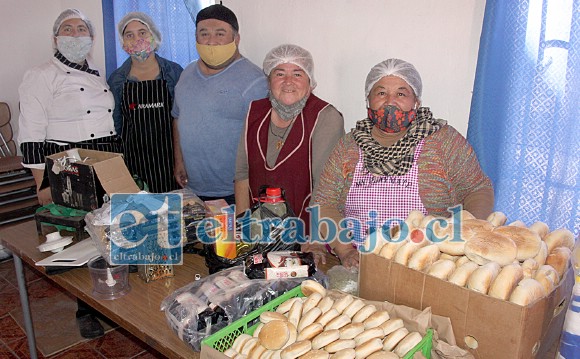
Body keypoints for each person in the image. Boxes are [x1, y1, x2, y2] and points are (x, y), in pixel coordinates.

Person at [313, 58, 494, 268]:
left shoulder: (443, 140)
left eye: (401, 93)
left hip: (426, 263)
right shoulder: (348, 146)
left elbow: (478, 189)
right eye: (381, 93)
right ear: (368, 100)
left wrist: (466, 235)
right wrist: (345, 251)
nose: (390, 101)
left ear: (416, 101)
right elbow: (325, 202)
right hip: (360, 261)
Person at [17, 8, 119, 339]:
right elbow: (30, 133)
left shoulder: (96, 73)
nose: (75, 35)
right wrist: (41, 184)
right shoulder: (41, 74)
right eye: (67, 29)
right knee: (80, 237)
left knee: (107, 230)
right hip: (67, 165)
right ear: (55, 38)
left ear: (90, 38)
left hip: (103, 160)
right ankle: (85, 309)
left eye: (81, 29)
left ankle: (112, 293)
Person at [234, 44, 344, 244]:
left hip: (306, 236)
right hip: (260, 236)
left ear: (310, 81)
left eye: (297, 74)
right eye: (280, 73)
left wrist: (315, 242)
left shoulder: (325, 117)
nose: (288, 82)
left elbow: (325, 189)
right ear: (269, 80)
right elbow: (242, 174)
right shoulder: (255, 112)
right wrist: (243, 232)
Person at [172, 4, 268, 204]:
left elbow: (264, 141)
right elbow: (178, 118)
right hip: (192, 187)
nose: (211, 41)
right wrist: (179, 160)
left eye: (220, 34)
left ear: (236, 38)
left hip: (235, 191)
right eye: (204, 33)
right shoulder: (186, 73)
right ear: (196, 37)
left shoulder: (255, 81)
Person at [108, 12, 183, 193]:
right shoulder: (117, 79)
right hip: (134, 163)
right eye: (129, 35)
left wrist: (182, 161)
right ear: (123, 43)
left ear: (154, 36)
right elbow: (116, 125)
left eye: (142, 32)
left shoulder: (174, 72)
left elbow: (183, 120)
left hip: (170, 161)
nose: (137, 39)